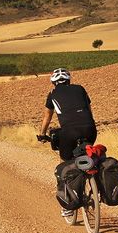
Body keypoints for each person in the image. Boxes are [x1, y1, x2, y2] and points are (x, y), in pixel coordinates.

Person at [38, 68, 97, 218]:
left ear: (53, 82)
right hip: (90, 129)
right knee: (89, 153)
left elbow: (47, 117)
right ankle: (95, 184)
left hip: (69, 133)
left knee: (64, 164)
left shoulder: (52, 94)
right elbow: (89, 111)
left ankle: (68, 207)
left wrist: (42, 134)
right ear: (69, 80)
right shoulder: (80, 89)